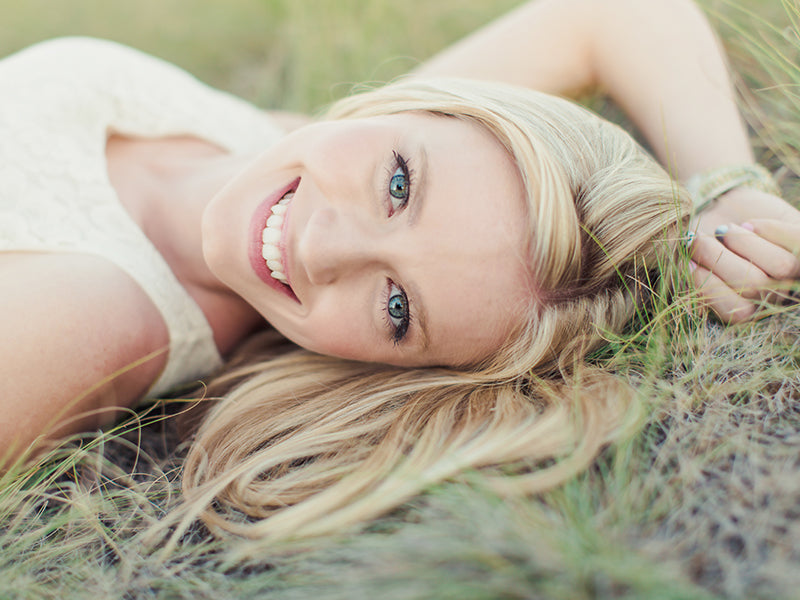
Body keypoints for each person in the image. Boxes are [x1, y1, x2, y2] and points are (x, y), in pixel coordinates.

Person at [0, 0, 797, 541]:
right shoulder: (288, 143)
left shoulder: (90, 316)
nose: (322, 250)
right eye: (398, 186)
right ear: (418, 103)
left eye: (395, 308)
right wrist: (727, 186)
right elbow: (614, 13)